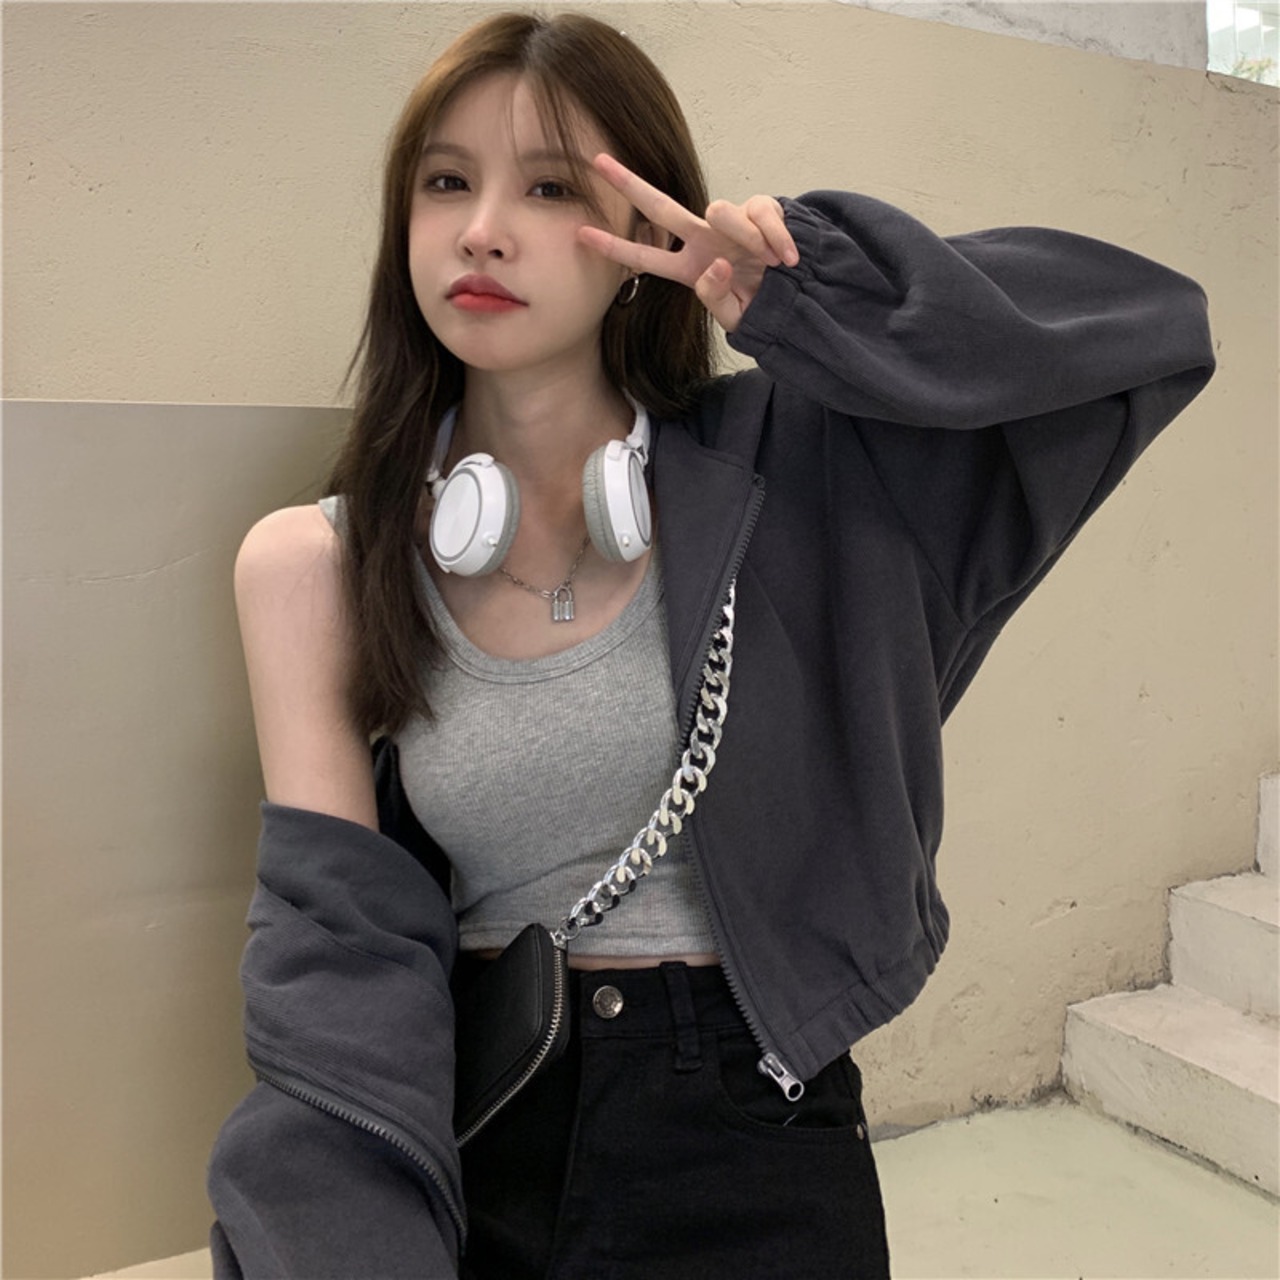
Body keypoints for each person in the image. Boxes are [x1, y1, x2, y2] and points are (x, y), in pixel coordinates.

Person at [207, 11, 1214, 1279]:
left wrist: (815, 300)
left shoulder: (794, 469)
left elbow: (1144, 331)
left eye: (550, 187)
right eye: (445, 183)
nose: (482, 229)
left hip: (752, 1116)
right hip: (485, 1115)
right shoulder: (317, 564)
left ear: (640, 234)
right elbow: (334, 949)